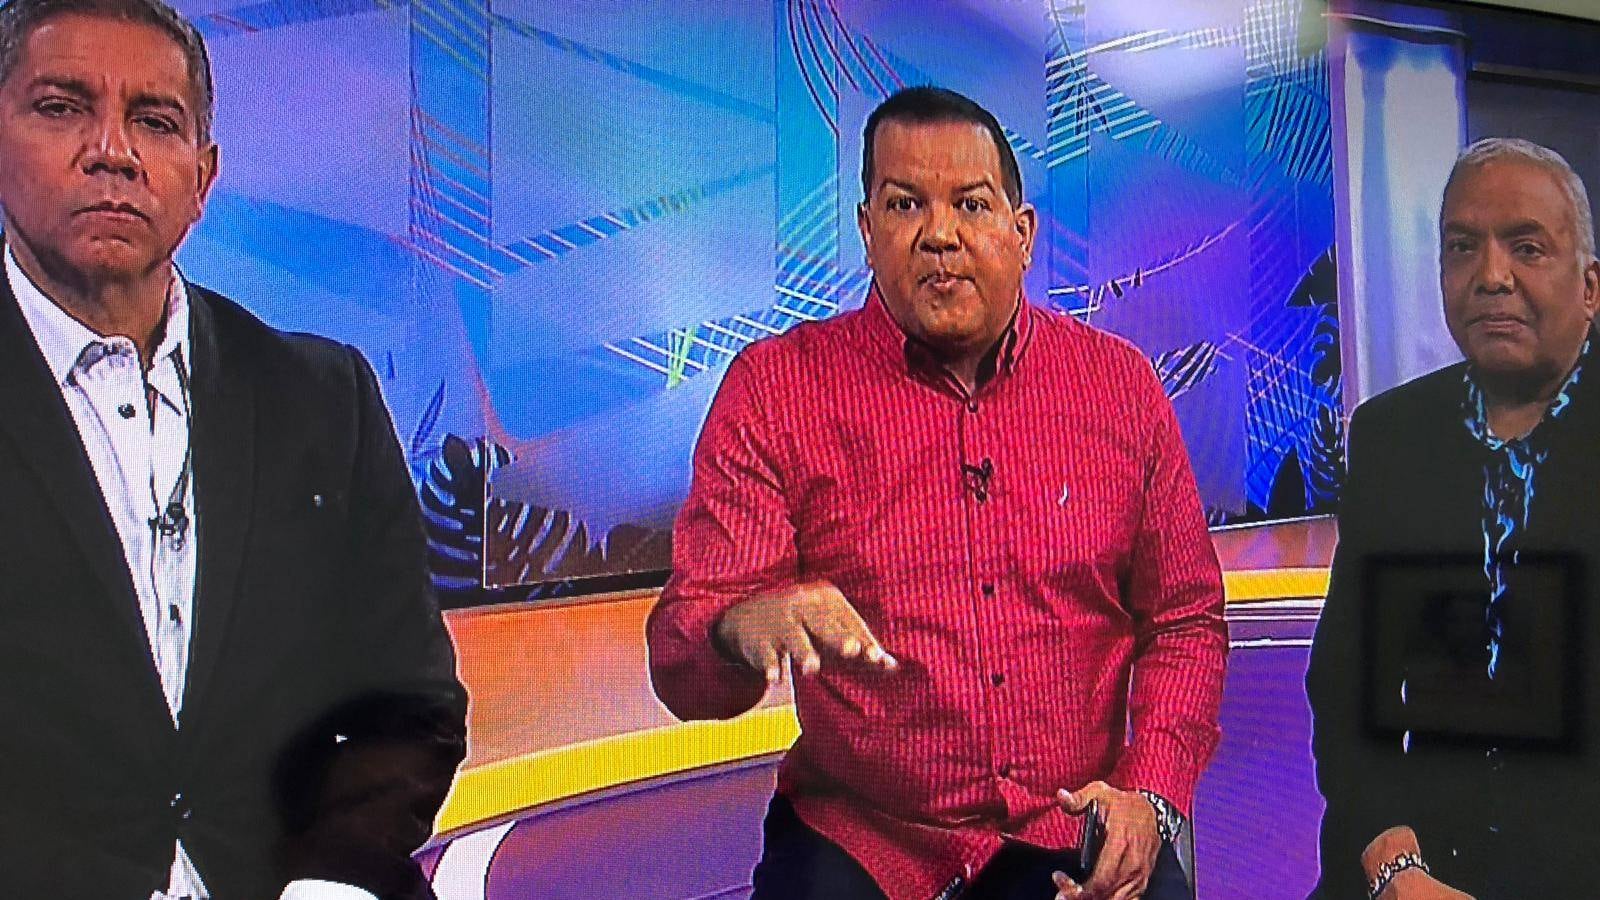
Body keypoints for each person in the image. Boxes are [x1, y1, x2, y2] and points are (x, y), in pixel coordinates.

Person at [647, 86, 1227, 900]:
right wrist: (738, 627)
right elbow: (681, 665)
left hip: (1074, 826)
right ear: (866, 230)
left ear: (1022, 235)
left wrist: (1152, 795)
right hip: (864, 837)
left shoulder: (1119, 389)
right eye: (905, 204)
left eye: (972, 204)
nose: (940, 234)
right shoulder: (776, 392)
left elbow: (1185, 619)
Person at [0, 0, 467, 897]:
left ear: (203, 177)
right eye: (61, 108)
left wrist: (329, 884)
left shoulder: (324, 398)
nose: (113, 151)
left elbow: (410, 705)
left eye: (155, 121)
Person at [1306, 138, 1600, 899]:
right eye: (1463, 247)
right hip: (1412, 863)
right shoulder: (1392, 437)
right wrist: (1392, 860)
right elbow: (1346, 685)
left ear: (1590, 287)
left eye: (1527, 247)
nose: (1491, 276)